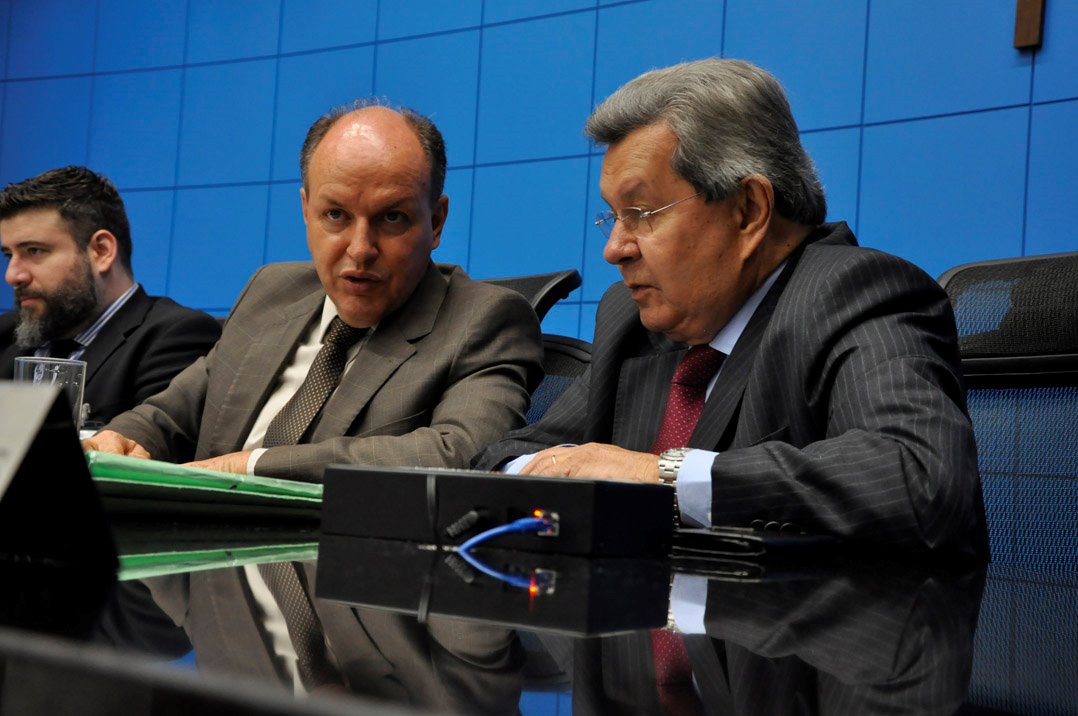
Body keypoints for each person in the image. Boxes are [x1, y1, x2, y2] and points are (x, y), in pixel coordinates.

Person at [474, 59, 987, 556]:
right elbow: (507, 456)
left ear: (748, 210)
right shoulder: (633, 319)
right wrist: (553, 475)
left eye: (642, 213)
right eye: (613, 217)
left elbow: (920, 479)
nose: (615, 249)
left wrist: (658, 475)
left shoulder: (856, 294)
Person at [85, 100, 543, 482]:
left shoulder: (485, 319)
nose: (360, 249)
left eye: (392, 218)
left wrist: (251, 466)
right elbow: (170, 414)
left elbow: (460, 453)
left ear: (436, 222)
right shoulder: (272, 290)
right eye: (336, 215)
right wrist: (124, 438)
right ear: (306, 211)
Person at [1, 166, 221, 426]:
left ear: (101, 251)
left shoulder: (176, 337)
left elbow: (148, 443)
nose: (12, 275)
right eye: (8, 255)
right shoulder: (5, 332)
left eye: (34, 251)